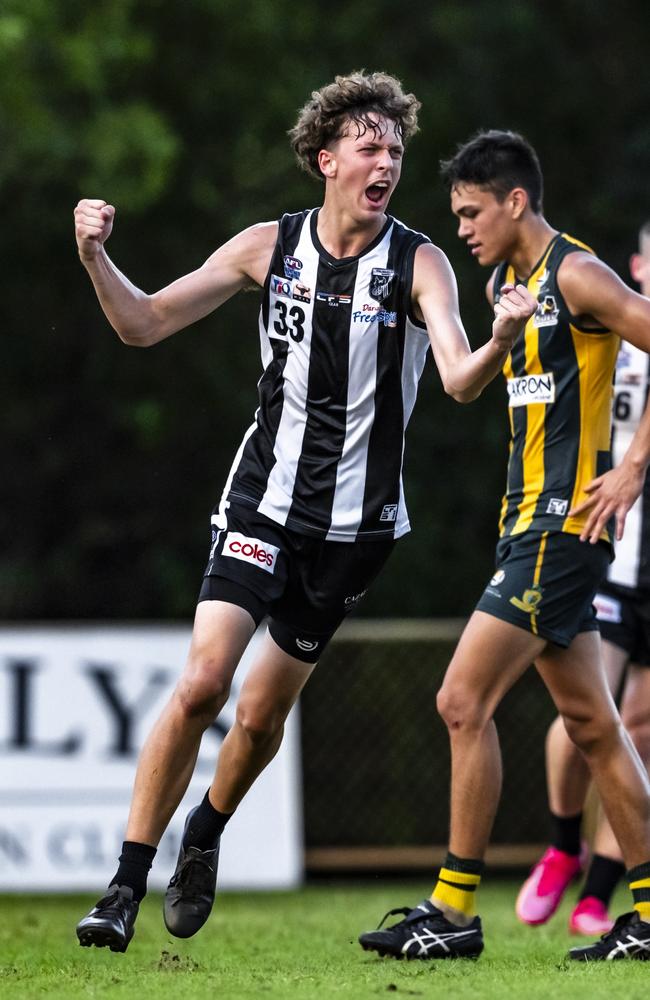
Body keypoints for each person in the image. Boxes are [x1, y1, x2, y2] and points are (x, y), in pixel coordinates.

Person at [73, 76, 535, 954]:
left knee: (256, 719)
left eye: (395, 150)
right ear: (326, 161)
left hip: (355, 535)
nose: (387, 162)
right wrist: (97, 257)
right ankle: (125, 884)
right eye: (370, 147)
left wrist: (500, 340)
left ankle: (203, 833)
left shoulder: (420, 261)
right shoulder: (267, 246)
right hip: (262, 503)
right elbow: (141, 325)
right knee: (205, 683)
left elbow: (459, 380)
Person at [359, 130, 650, 963]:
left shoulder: (579, 272)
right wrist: (496, 333)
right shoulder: (507, 284)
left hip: (562, 529)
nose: (461, 227)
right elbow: (468, 386)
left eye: (471, 211)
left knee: (461, 699)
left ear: (515, 200)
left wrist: (631, 468)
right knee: (595, 726)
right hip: (525, 526)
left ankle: (452, 911)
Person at [516, 221, 650, 936]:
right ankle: (563, 843)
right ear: (637, 264)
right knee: (582, 718)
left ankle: (602, 893)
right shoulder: (603, 320)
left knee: (637, 728)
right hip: (609, 551)